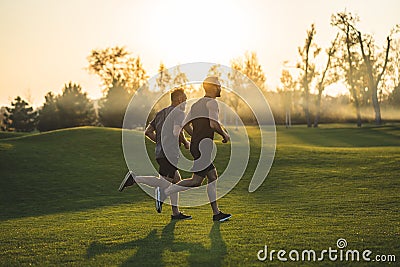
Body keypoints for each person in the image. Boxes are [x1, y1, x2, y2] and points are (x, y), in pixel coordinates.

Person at [156, 77, 232, 222]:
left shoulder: (196, 104)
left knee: (211, 177)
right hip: (203, 147)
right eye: (219, 85)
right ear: (213, 87)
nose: (221, 88)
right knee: (196, 181)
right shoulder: (212, 103)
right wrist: (225, 134)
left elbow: (185, 124)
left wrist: (195, 137)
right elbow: (214, 124)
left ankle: (216, 213)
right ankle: (165, 192)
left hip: (198, 146)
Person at [118, 88, 193, 220]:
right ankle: (135, 179)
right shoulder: (179, 113)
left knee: (176, 182)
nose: (186, 103)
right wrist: (186, 142)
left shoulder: (160, 113)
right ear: (179, 100)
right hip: (170, 153)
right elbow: (176, 131)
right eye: (185, 100)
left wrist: (159, 141)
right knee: (164, 184)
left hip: (160, 153)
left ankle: (175, 213)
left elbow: (148, 132)